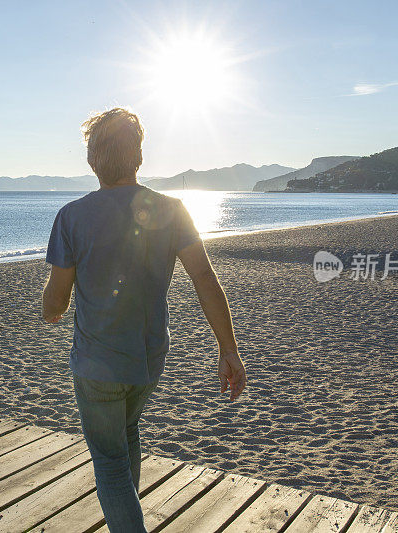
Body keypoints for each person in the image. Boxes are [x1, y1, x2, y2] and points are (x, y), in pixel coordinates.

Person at [42, 107, 247, 532]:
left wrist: (51, 309)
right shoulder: (172, 209)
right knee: (127, 431)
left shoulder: (72, 216)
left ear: (92, 160)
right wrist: (228, 348)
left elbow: (55, 301)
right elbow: (205, 279)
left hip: (98, 364)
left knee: (110, 461)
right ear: (138, 156)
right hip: (149, 360)